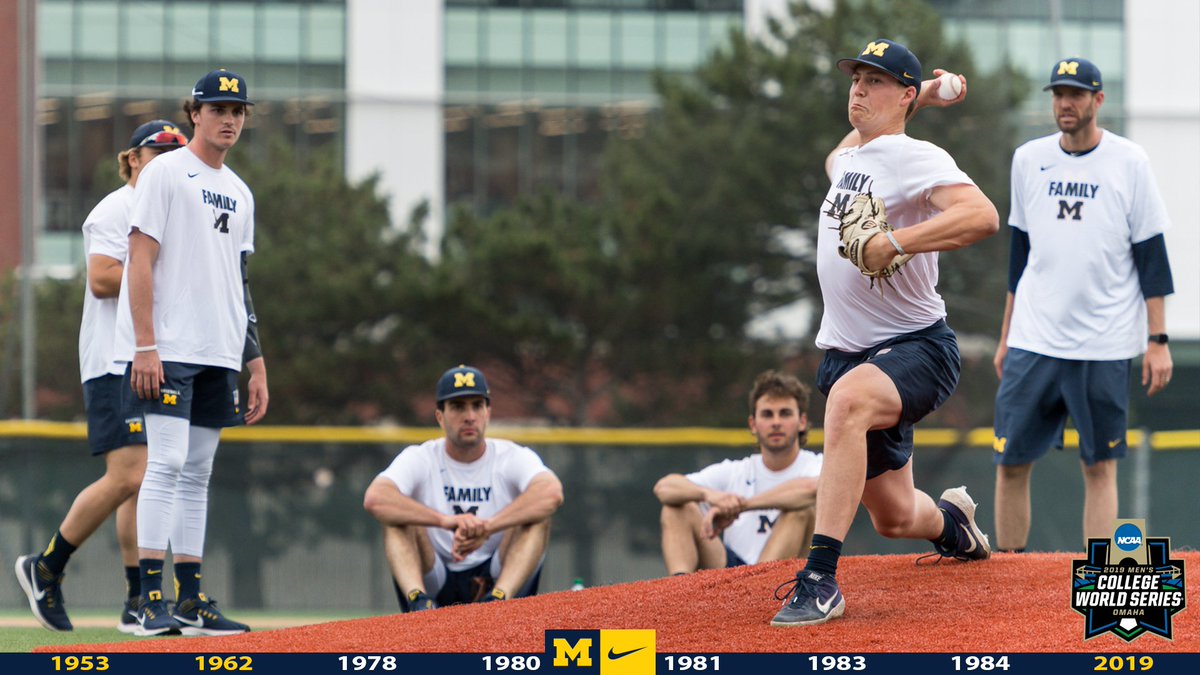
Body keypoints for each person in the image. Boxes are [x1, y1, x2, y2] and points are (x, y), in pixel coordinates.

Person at [770, 39, 999, 628]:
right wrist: (924, 93)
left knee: (846, 406)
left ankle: (819, 579)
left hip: (919, 348)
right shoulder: (854, 160)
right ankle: (956, 527)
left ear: (897, 95)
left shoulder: (912, 155)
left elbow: (982, 216)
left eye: (875, 81)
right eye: (855, 79)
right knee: (896, 517)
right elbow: (838, 154)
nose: (858, 89)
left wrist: (894, 241)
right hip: (848, 353)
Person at [992, 57, 1174, 552]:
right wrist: (1006, 336)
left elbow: (1152, 258)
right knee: (1010, 462)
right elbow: (1019, 256)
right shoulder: (1028, 159)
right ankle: (1006, 581)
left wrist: (1157, 341)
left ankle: (1098, 577)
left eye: (1075, 94)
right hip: (1034, 337)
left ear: (1098, 100)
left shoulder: (1129, 162)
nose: (1064, 104)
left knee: (1098, 465)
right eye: (1057, 94)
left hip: (1104, 341)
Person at [13, 121, 188, 633]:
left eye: (173, 156)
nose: (164, 162)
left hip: (150, 358)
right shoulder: (116, 209)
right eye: (155, 152)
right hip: (114, 360)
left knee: (142, 483)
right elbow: (102, 278)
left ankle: (137, 599)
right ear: (131, 159)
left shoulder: (169, 212)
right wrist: (169, 275)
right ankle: (46, 566)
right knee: (131, 475)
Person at [114, 69, 269, 636]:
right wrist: (145, 345)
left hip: (221, 349)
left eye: (239, 110)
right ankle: (147, 600)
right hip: (171, 345)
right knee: (169, 463)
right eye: (219, 108)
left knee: (198, 472)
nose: (230, 118)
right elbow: (140, 259)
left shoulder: (240, 190)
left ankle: (189, 599)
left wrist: (254, 363)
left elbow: (239, 283)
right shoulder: (165, 173)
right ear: (195, 113)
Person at [363, 365, 564, 612]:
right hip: (436, 576)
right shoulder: (421, 457)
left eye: (477, 405)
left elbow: (551, 493)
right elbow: (376, 498)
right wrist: (445, 521)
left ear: (488, 413)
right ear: (440, 416)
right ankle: (419, 603)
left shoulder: (511, 456)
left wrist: (488, 527)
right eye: (458, 407)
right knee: (395, 517)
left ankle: (498, 603)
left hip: (497, 574)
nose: (469, 416)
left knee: (537, 518)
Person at [654, 370, 822, 574]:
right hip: (732, 576)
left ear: (802, 422)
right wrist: (710, 495)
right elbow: (665, 487)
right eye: (767, 414)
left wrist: (740, 506)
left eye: (785, 413)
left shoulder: (817, 465)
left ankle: (759, 589)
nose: (776, 422)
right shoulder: (736, 471)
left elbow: (811, 490)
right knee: (676, 507)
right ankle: (678, 595)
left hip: (784, 580)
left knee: (801, 510)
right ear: (753, 424)